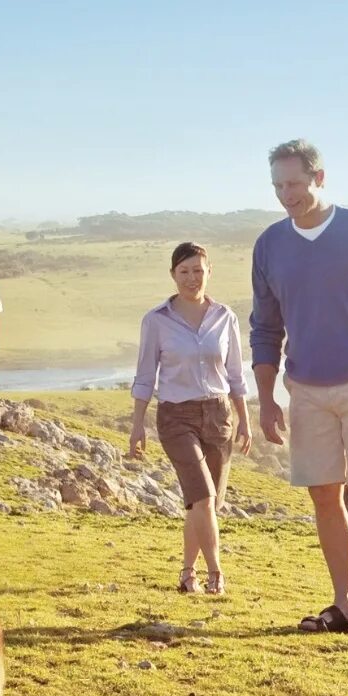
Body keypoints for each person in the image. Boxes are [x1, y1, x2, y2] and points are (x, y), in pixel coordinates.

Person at [250, 138, 348, 636]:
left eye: (294, 183)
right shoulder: (270, 245)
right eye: (278, 185)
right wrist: (267, 397)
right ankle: (342, 603)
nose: (286, 194)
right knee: (324, 495)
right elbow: (265, 327)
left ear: (319, 178)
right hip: (305, 388)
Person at [129, 240, 254, 594]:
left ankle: (187, 573)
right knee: (202, 497)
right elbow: (144, 376)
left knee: (206, 503)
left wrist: (244, 419)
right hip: (175, 417)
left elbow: (234, 375)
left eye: (198, 270)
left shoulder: (224, 317)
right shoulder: (156, 321)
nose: (191, 278)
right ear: (173, 275)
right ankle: (216, 574)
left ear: (209, 272)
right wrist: (138, 425)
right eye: (184, 271)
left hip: (218, 415)